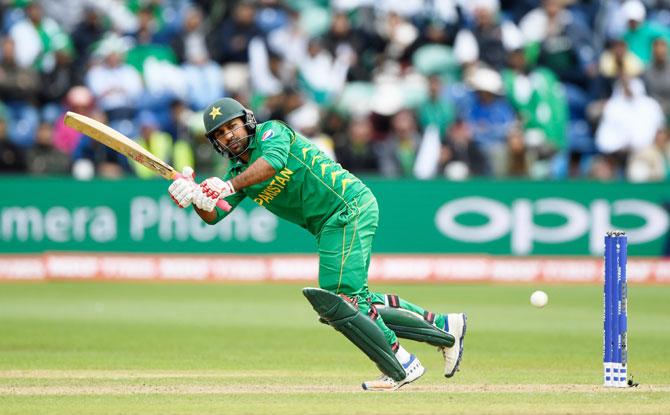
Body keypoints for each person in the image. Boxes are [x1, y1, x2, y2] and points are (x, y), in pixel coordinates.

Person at [167, 97, 467, 391]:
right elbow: (213, 216)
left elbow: (272, 163)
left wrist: (227, 186)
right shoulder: (236, 173)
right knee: (348, 303)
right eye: (219, 133)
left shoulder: (273, 132)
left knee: (341, 299)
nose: (228, 135)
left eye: (231, 126)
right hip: (328, 224)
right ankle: (443, 326)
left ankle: (401, 363)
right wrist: (195, 196)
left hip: (347, 206)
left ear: (247, 122)